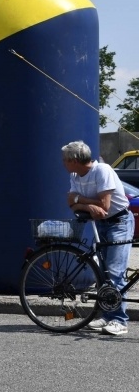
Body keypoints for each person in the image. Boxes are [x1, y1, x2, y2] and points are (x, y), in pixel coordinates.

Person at [63, 140, 134, 336]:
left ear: (74, 160)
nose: (63, 163)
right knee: (102, 273)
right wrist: (86, 205)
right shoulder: (75, 175)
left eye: (65, 160)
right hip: (99, 224)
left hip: (118, 222)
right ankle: (107, 315)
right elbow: (71, 204)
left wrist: (79, 200)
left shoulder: (102, 170)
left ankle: (120, 321)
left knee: (114, 272)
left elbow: (104, 206)